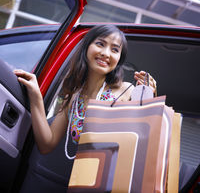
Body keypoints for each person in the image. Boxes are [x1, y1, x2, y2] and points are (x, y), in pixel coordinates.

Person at [14, 25, 157, 156]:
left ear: (119, 59)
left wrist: (149, 98)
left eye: (114, 49)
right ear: (86, 47)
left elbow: (145, 137)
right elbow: (47, 145)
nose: (106, 53)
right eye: (100, 44)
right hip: (83, 179)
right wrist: (36, 97)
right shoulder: (74, 99)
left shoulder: (127, 91)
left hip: (120, 180)